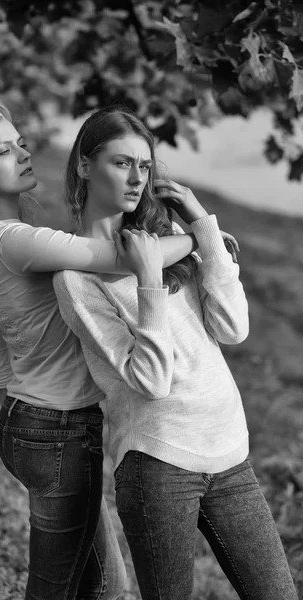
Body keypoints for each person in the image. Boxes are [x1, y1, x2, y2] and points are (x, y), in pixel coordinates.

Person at [0, 96, 229, 600]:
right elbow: (124, 258)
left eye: (20, 143)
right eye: (3, 151)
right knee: (64, 586)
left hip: (28, 423)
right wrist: (203, 237)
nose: (23, 153)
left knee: (102, 583)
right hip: (59, 431)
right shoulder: (12, 239)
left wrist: (33, 413)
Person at [53, 106, 299, 600]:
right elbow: (150, 380)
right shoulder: (75, 278)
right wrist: (147, 282)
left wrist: (201, 226)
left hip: (230, 454)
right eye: (122, 163)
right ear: (83, 165)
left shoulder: (172, 244)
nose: (136, 178)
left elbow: (233, 329)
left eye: (145, 166)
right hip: (158, 464)